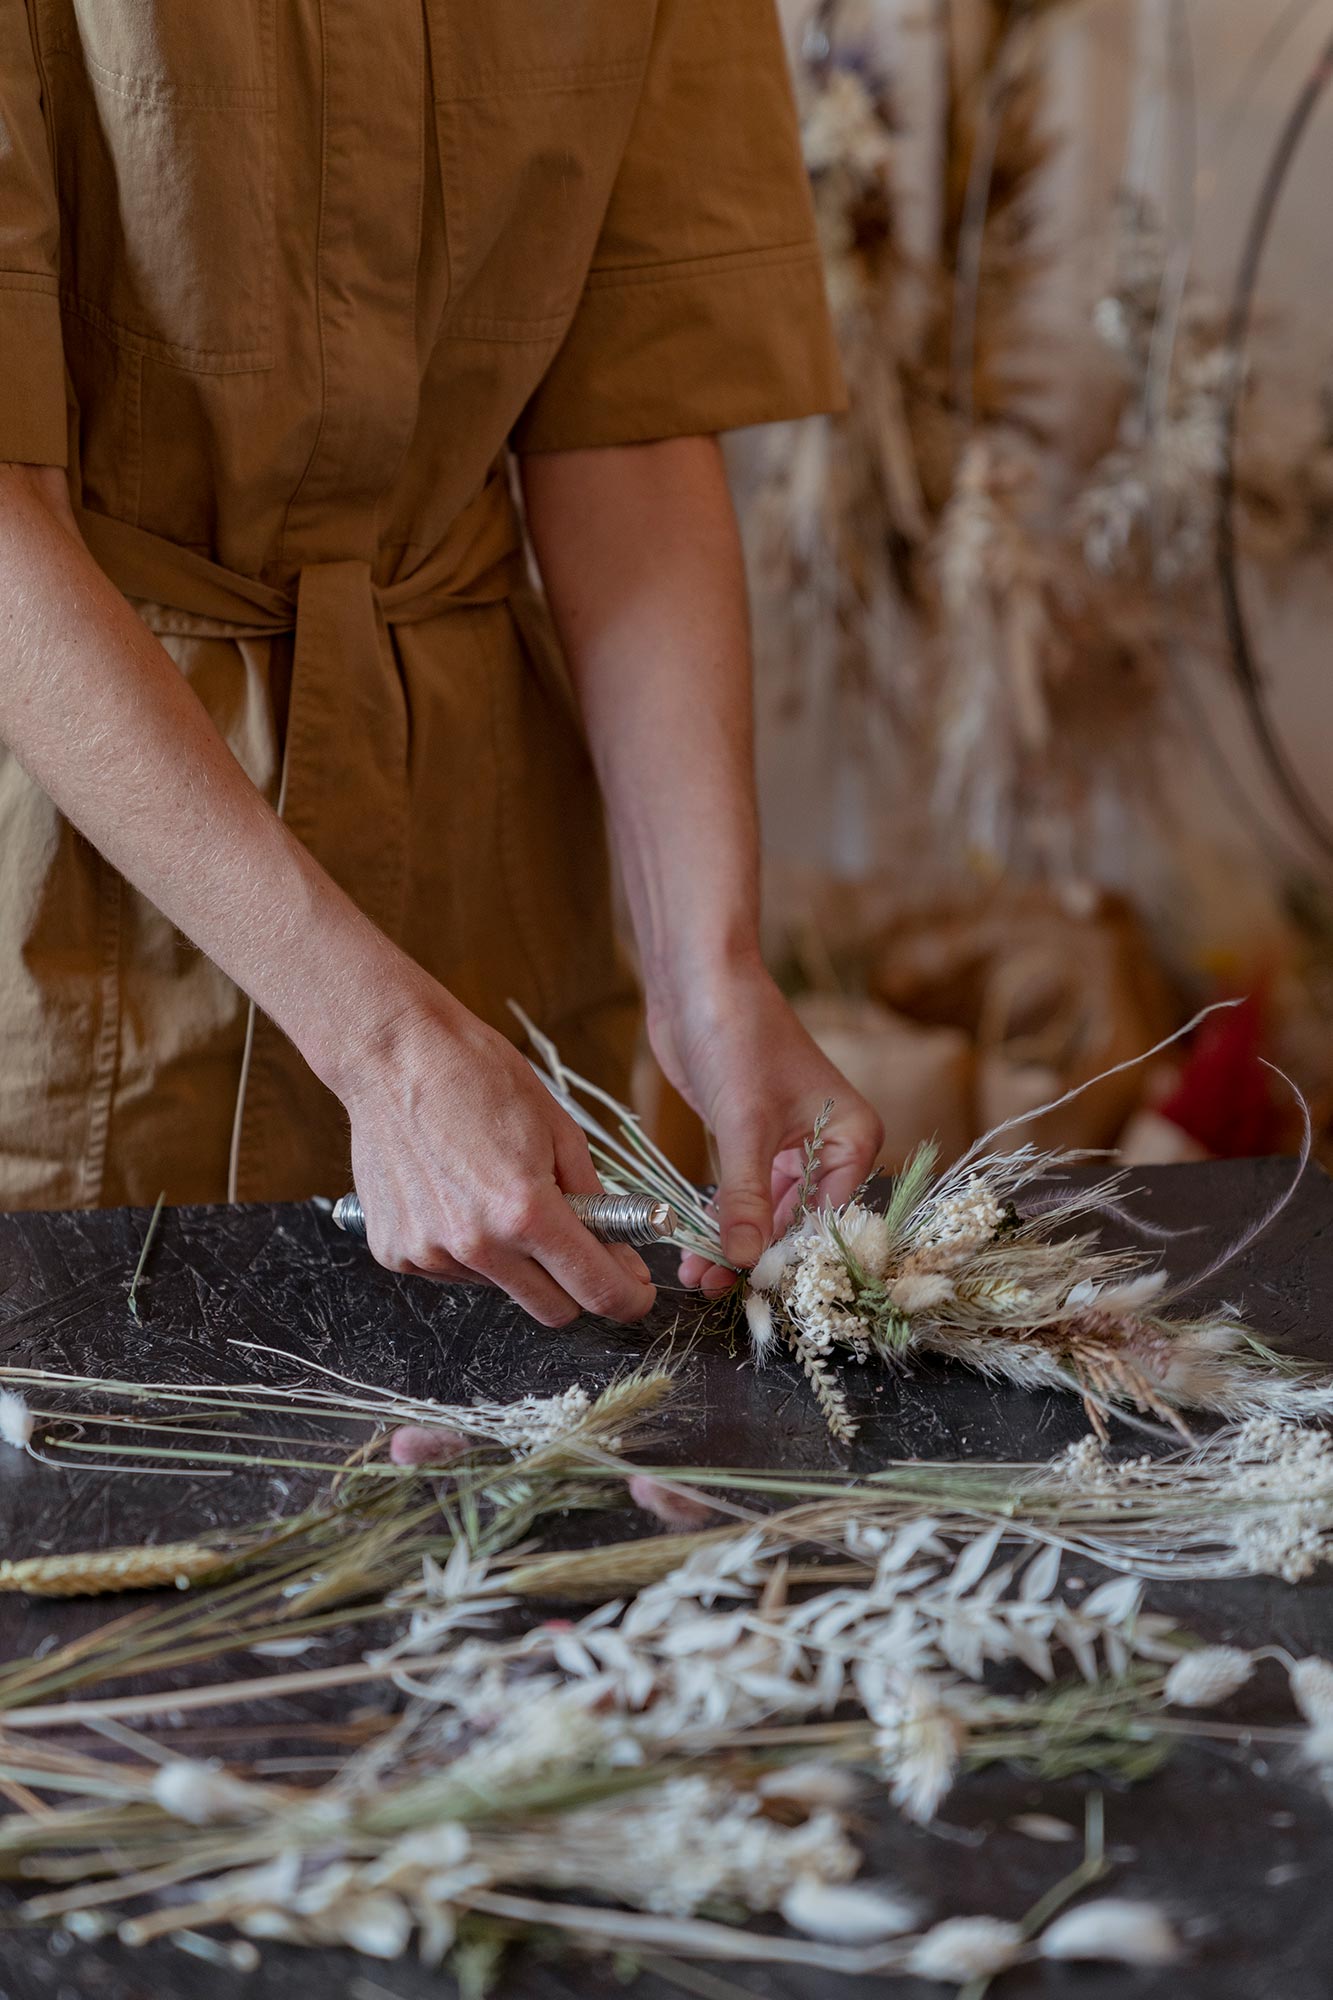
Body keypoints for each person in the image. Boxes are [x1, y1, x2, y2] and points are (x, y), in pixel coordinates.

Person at [0, 0, 882, 1325]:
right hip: (68, 879)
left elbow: (626, 430)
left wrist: (712, 975)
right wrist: (379, 1038)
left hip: (490, 875)